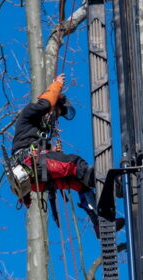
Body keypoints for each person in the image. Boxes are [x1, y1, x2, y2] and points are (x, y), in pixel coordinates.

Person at [11, 73, 101, 233]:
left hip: (39, 176)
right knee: (74, 163)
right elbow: (46, 103)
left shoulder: (39, 130)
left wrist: (52, 151)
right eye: (57, 112)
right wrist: (57, 85)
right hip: (31, 165)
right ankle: (106, 180)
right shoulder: (30, 112)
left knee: (81, 184)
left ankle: (98, 222)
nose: (56, 117)